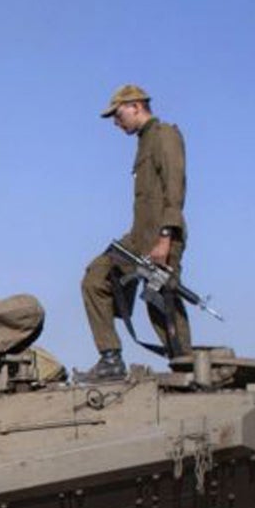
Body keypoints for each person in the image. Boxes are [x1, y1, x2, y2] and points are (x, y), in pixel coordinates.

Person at [79, 83, 187, 381]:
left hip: (162, 236)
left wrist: (166, 236)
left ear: (136, 106)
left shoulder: (165, 135)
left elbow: (174, 188)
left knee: (160, 301)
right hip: (137, 238)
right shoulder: (144, 141)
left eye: (118, 114)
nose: (116, 122)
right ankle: (110, 358)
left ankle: (186, 366)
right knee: (95, 278)